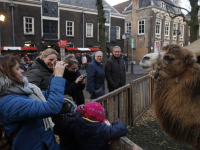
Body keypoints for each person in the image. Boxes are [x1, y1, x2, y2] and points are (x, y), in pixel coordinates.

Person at [0, 54, 68, 149]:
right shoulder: (10, 102)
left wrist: (54, 74)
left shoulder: (21, 90)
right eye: (17, 68)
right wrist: (58, 78)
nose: (22, 71)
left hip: (43, 142)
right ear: (5, 74)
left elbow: (45, 97)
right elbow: (52, 107)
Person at [53, 102, 128, 150]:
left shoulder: (78, 123)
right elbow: (122, 129)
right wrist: (115, 122)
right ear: (99, 117)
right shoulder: (101, 130)